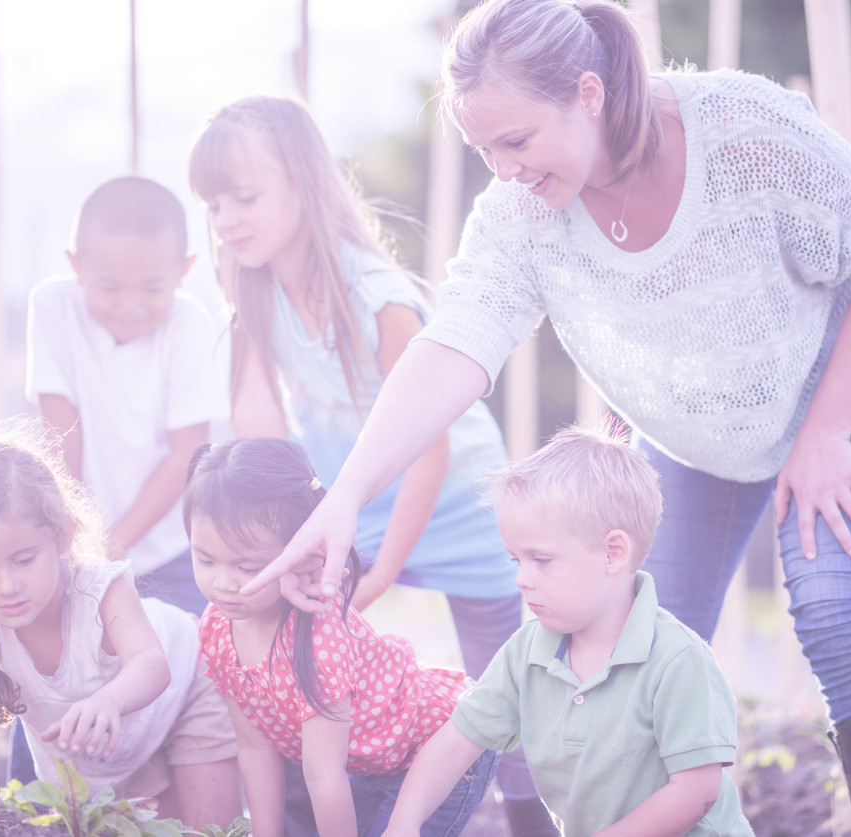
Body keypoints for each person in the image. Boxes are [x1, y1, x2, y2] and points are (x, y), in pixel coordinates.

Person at [246, 1, 851, 833]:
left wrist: (826, 430)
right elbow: (452, 346)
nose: (504, 170)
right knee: (622, 637)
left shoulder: (744, 133)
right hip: (696, 419)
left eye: (516, 140)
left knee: (838, 606)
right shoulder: (520, 216)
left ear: (588, 93)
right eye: (483, 150)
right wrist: (345, 496)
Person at [188, 96, 554, 835]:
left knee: (501, 688)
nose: (226, 219)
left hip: (449, 495)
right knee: (309, 666)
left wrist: (380, 572)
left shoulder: (377, 297)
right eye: (214, 204)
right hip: (348, 502)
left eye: (245, 198)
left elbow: (429, 446)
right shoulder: (252, 288)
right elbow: (262, 428)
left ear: (304, 183)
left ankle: (530, 818)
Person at [383, 422, 754, 836]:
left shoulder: (679, 660)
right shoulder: (526, 654)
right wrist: (403, 823)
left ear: (613, 553)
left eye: (541, 560)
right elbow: (455, 745)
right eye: (516, 560)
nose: (521, 579)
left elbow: (695, 791)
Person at [0, 420, 241, 833]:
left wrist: (108, 701)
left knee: (206, 831)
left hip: (191, 688)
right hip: (116, 744)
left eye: (24, 560)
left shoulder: (99, 587)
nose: (7, 586)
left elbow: (152, 663)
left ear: (64, 536)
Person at [185, 437, 499, 837]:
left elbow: (324, 776)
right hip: (371, 766)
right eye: (205, 559)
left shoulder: (315, 637)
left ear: (303, 548)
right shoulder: (217, 627)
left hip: (438, 748)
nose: (223, 583)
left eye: (248, 567)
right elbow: (254, 747)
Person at [25, 175, 230, 617]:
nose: (130, 306)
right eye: (110, 288)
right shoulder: (53, 307)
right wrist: (71, 539)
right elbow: (61, 435)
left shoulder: (190, 325)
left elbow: (186, 456)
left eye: (153, 289)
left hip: (176, 552)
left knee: (184, 655)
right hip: (81, 544)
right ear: (76, 267)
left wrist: (105, 548)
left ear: (184, 270)